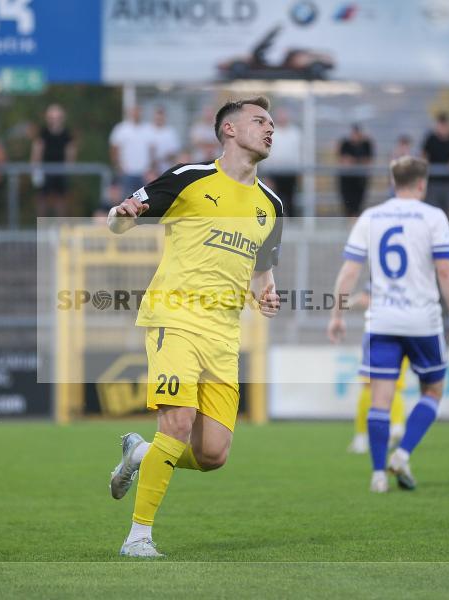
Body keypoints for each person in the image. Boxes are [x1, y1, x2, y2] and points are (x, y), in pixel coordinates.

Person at [106, 96, 283, 558]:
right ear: (228, 130)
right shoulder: (190, 178)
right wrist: (120, 217)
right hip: (175, 317)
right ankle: (138, 538)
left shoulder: (271, 204)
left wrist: (266, 291)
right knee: (177, 423)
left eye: (271, 123)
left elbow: (262, 265)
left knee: (212, 455)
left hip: (224, 334)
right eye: (259, 121)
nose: (270, 129)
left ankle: (142, 454)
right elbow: (121, 219)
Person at [328, 156, 449, 493]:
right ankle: (402, 454)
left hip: (383, 320)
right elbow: (446, 271)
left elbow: (350, 271)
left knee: (380, 398)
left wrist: (337, 314)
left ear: (392, 183)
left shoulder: (371, 217)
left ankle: (378, 475)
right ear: (422, 184)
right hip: (422, 321)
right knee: (433, 390)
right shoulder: (434, 217)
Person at [345, 287, 406, 455]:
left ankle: (362, 437)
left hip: (380, 334)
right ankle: (397, 425)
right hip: (408, 331)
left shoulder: (379, 273)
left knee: (368, 385)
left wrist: (350, 302)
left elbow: (366, 299)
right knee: (394, 383)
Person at [32, 104, 77, 218]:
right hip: (45, 169)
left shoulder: (67, 133)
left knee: (60, 199)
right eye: (52, 117)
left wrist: (69, 168)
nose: (55, 120)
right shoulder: (43, 133)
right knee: (42, 198)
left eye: (57, 117)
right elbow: (37, 150)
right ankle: (41, 225)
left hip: (61, 170)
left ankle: (59, 225)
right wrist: (35, 169)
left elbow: (70, 151)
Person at [109, 106, 155, 200]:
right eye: (134, 111)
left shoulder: (148, 129)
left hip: (144, 173)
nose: (136, 114)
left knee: (144, 201)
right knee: (125, 200)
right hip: (126, 172)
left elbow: (152, 151)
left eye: (138, 111)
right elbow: (114, 149)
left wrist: (150, 168)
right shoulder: (121, 128)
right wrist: (118, 166)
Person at [421, 113, 449, 218]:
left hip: (448, 181)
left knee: (446, 211)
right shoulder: (430, 139)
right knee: (432, 210)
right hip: (433, 182)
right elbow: (424, 156)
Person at [266, 108, 302, 217]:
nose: (282, 118)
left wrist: (300, 170)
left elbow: (300, 152)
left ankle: (291, 223)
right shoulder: (270, 132)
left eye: (284, 115)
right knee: (274, 199)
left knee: (290, 199)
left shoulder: (296, 133)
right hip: (274, 171)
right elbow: (266, 151)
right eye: (280, 116)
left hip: (291, 171)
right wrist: (267, 172)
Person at [337, 124, 374, 218]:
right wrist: (358, 161)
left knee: (358, 204)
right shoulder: (345, 144)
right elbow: (344, 161)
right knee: (348, 205)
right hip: (347, 180)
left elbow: (367, 161)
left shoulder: (366, 144)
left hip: (360, 180)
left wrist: (353, 161)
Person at [149, 106, 181, 174]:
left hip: (166, 169)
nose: (159, 119)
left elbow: (174, 152)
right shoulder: (147, 130)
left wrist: (162, 159)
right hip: (150, 171)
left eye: (161, 117)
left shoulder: (170, 132)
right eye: (157, 117)